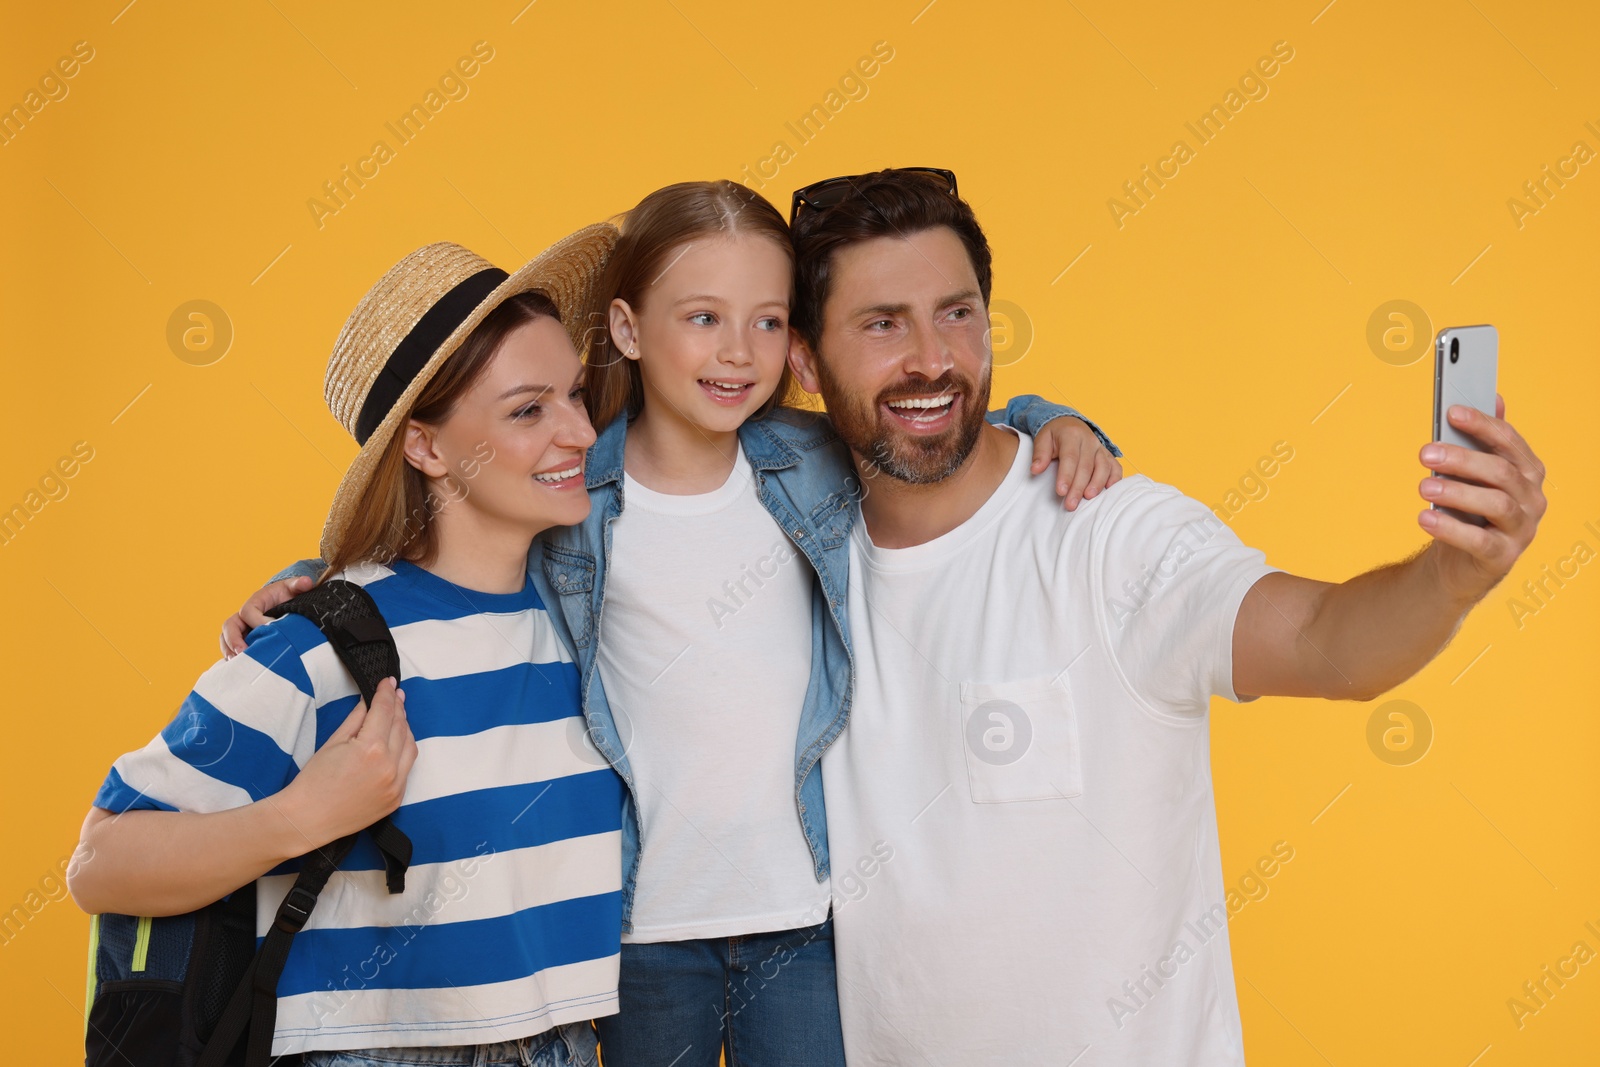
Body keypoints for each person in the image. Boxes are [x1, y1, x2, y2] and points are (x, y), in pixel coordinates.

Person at [222, 180, 1123, 1066]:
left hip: (805, 911)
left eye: (768, 321)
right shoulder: (572, 494)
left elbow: (939, 428)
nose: (739, 353)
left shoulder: (808, 464)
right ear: (625, 331)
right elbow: (446, 543)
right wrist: (308, 584)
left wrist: (1058, 419)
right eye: (703, 319)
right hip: (640, 928)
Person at [772, 167, 1547, 1064]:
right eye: (881, 324)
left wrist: (1452, 576)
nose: (932, 358)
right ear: (802, 360)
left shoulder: (1110, 532)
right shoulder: (794, 564)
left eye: (956, 312)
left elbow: (1324, 642)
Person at [69, 231, 625, 1066]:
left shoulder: (585, 620)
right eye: (528, 409)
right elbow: (100, 863)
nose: (580, 432)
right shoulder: (325, 645)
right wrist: (300, 816)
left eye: (577, 396)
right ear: (426, 447)